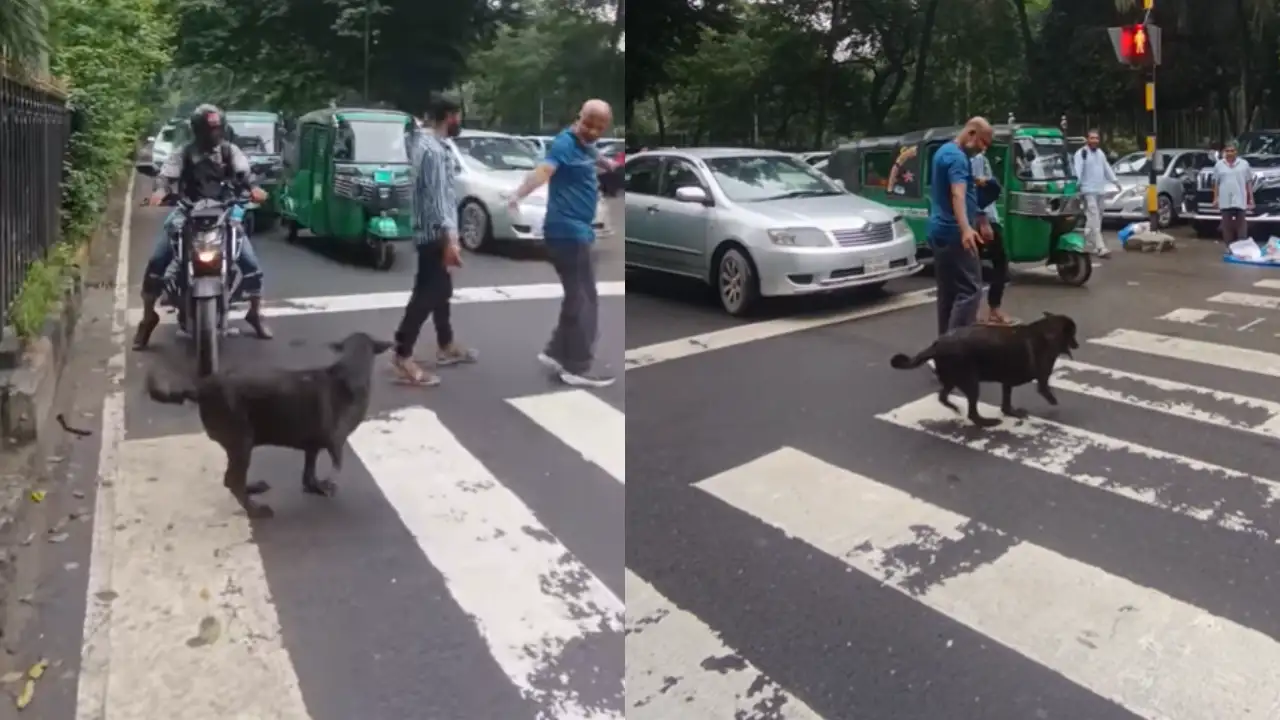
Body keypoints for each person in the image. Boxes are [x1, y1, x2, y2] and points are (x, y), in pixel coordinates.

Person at [134, 104, 271, 350]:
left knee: (251, 264)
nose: (212, 134)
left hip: (223, 213)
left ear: (223, 129)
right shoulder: (184, 153)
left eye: (216, 129)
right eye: (207, 130)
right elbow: (167, 175)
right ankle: (148, 317)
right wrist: (161, 190)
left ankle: (255, 312)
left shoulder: (230, 151)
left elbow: (244, 173)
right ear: (196, 131)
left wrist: (253, 188)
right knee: (157, 261)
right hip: (187, 212)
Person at [507, 99, 617, 388]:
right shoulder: (564, 144)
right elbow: (543, 172)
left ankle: (556, 352)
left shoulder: (585, 145)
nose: (592, 131)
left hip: (576, 231)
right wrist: (518, 194)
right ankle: (576, 367)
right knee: (585, 299)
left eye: (599, 127)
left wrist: (614, 165)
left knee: (576, 296)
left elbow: (600, 160)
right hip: (568, 232)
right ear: (578, 117)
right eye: (588, 124)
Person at [390, 93, 475, 387]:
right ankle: (402, 354)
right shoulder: (434, 151)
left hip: (427, 229)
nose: (459, 121)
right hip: (435, 232)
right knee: (429, 292)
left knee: (440, 289)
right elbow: (439, 199)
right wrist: (450, 237)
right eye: (458, 116)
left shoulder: (423, 143)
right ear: (449, 117)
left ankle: (445, 343)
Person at [928, 117, 994, 338]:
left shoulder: (943, 151)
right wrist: (966, 229)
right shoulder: (957, 158)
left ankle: (943, 347)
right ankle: (957, 346)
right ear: (971, 133)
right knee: (970, 290)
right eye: (983, 142)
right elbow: (958, 194)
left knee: (948, 292)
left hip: (939, 229)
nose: (983, 149)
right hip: (955, 232)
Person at [971, 149, 1012, 325]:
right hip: (982, 220)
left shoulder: (979, 157)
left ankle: (990, 309)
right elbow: (976, 189)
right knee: (992, 263)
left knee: (992, 263)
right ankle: (987, 310)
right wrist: (983, 220)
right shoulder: (976, 158)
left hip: (986, 217)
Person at [1071, 129, 1119, 258]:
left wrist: (1115, 181)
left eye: (1097, 138)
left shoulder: (1100, 153)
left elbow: (1106, 168)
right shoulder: (1081, 153)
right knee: (1094, 217)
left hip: (1100, 190)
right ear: (1087, 139)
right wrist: (1077, 187)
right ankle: (1100, 246)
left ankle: (1087, 239)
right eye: (1092, 138)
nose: (1095, 141)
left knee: (1097, 217)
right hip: (1087, 191)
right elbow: (1078, 171)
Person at [1212, 140, 1254, 246]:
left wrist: (1251, 199)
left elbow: (1248, 183)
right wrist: (1215, 198)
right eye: (1227, 151)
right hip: (1225, 199)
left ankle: (1242, 247)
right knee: (1226, 226)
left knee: (1241, 225)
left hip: (1240, 198)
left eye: (1232, 150)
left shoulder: (1244, 164)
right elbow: (1216, 183)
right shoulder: (1219, 165)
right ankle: (1229, 247)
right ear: (1224, 152)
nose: (1230, 153)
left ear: (1236, 152)